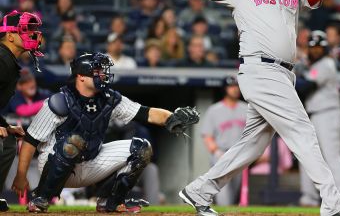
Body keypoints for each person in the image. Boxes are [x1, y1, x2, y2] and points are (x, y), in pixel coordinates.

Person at [127, 0, 340, 215]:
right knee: (302, 132)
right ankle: (334, 203)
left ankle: (199, 191)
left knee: (251, 145)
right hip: (261, 70)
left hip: (283, 74)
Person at [11, 53, 200, 213]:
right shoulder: (60, 101)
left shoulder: (109, 98)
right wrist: (21, 175)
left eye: (102, 71)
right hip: (55, 162)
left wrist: (171, 117)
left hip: (91, 160)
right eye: (97, 71)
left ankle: (110, 201)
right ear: (81, 77)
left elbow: (146, 112)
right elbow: (30, 139)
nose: (102, 74)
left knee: (142, 148)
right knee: (73, 142)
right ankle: (42, 197)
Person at [299, 30, 340, 206]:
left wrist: (290, 75)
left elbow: (305, 86)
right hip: (314, 114)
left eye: (319, 47)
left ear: (325, 49)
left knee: (332, 157)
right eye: (312, 47)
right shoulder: (313, 66)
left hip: (327, 114)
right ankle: (309, 198)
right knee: (307, 156)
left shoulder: (326, 64)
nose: (315, 50)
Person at [0, 10, 44, 212]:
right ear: (9, 36)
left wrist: (3, 125)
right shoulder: (1, 58)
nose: (33, 35)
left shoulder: (7, 59)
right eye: (25, 31)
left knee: (8, 140)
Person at [201, 76, 247, 205]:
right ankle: (224, 209)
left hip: (239, 153)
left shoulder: (247, 109)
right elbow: (207, 135)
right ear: (225, 89)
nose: (235, 89)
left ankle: (228, 210)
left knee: (235, 189)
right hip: (221, 153)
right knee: (223, 186)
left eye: (236, 86)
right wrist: (216, 152)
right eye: (231, 86)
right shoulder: (214, 110)